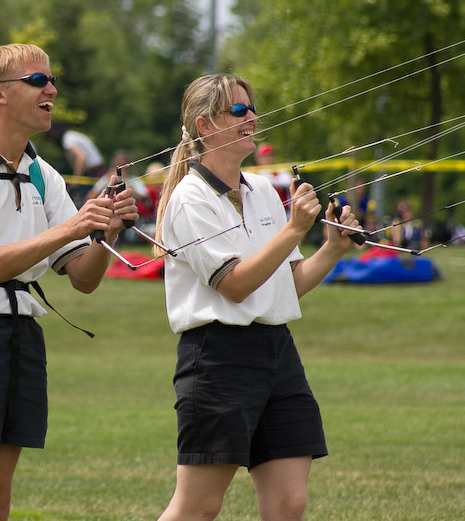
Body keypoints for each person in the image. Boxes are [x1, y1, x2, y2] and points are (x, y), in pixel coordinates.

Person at [0, 43, 137, 521]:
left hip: (19, 332)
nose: (51, 89)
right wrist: (74, 226)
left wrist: (105, 232)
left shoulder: (42, 173)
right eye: (38, 81)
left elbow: (82, 278)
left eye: (51, 80)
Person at [153, 74, 360, 521]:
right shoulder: (189, 199)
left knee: (289, 504)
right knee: (198, 506)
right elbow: (235, 285)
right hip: (217, 358)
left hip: (277, 352)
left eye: (252, 108)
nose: (252, 118)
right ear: (206, 125)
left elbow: (288, 284)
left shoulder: (263, 190)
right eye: (239, 110)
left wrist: (333, 247)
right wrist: (293, 230)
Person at [44, 120, 105, 206]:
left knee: (84, 201)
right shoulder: (71, 136)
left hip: (93, 172)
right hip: (94, 170)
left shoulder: (68, 139)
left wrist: (76, 179)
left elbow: (81, 158)